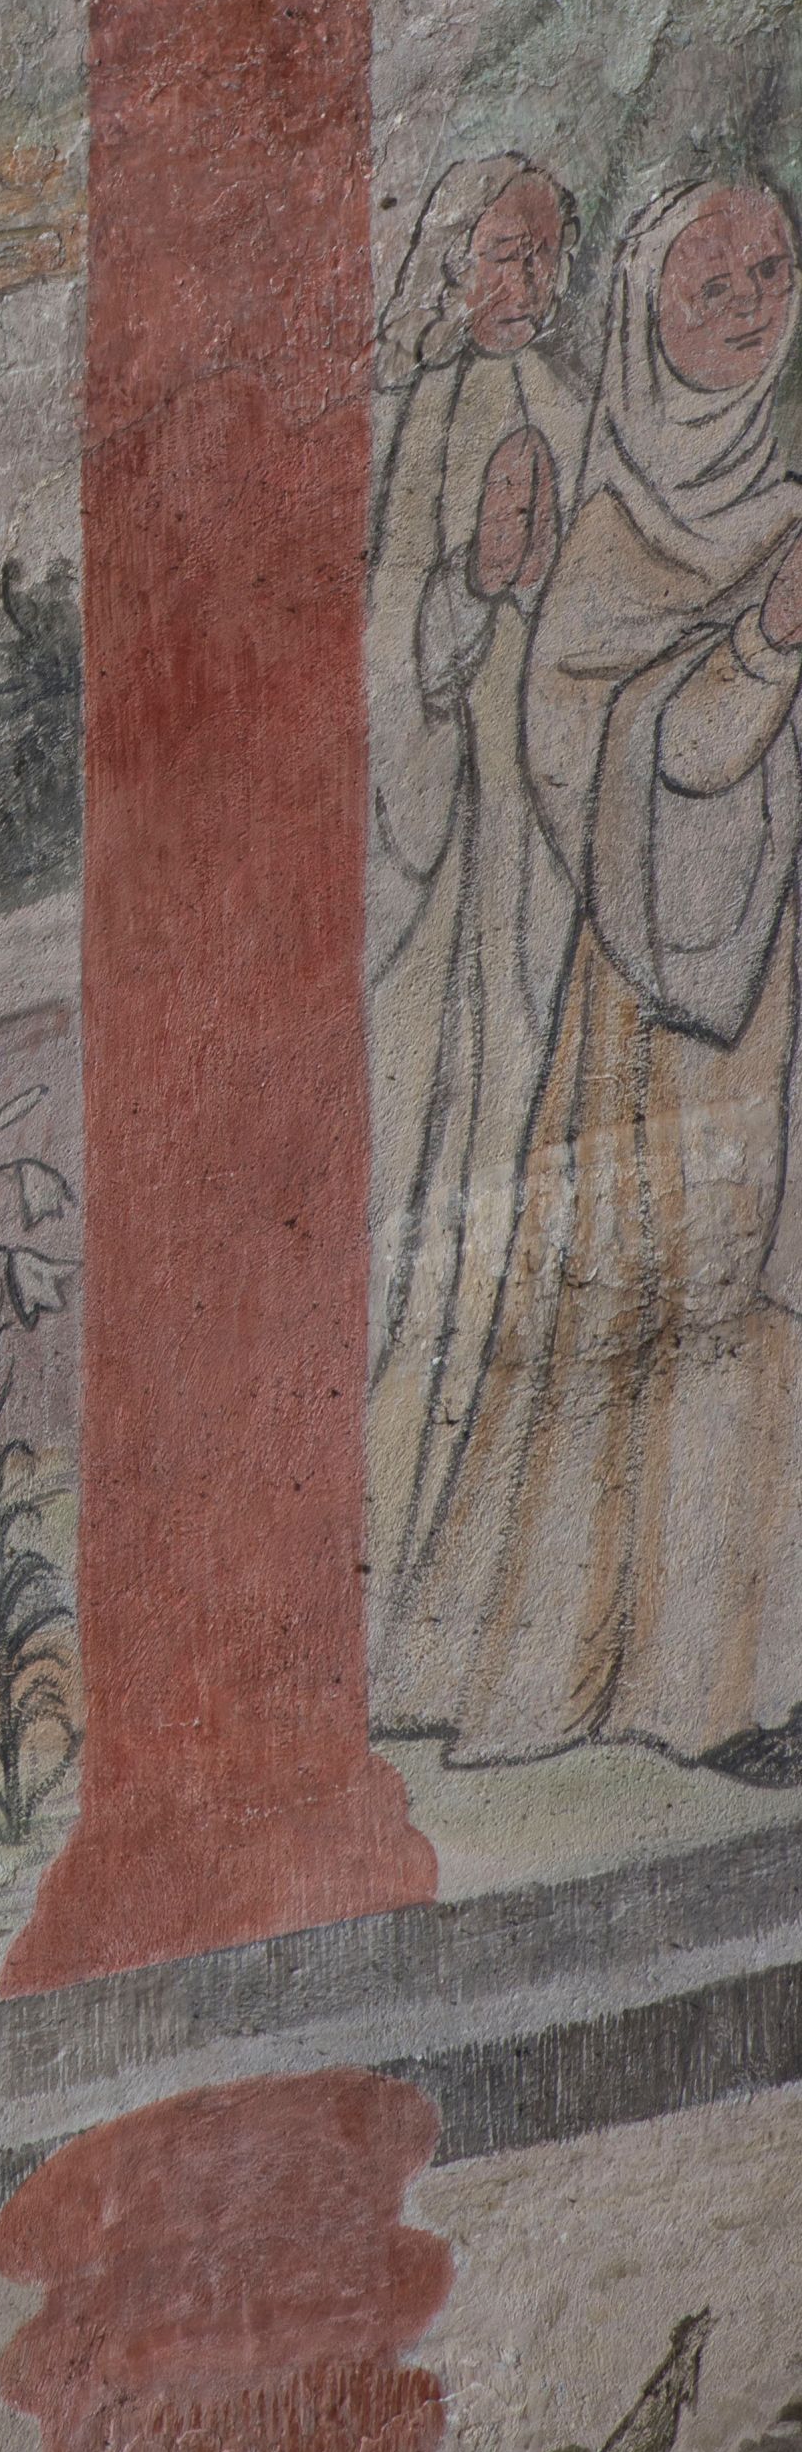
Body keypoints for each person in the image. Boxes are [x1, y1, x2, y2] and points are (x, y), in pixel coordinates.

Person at [375, 182, 802, 1774]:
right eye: (709, 285)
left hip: (783, 983)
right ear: (646, 315)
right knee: (683, 1315)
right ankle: (693, 1688)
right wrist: (765, 646)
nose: (748, 307)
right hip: (663, 1017)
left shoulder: (784, 500)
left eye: (771, 272)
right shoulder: (610, 531)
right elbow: (613, 760)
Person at [365, 155, 581, 1620]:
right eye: (503, 255)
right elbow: (387, 645)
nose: (528, 284)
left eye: (546, 257)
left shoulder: (571, 407)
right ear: (447, 265)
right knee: (436, 1165)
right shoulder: (421, 417)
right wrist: (470, 584)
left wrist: (544, 588)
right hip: (450, 856)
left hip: (548, 845)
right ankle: (405, 1525)